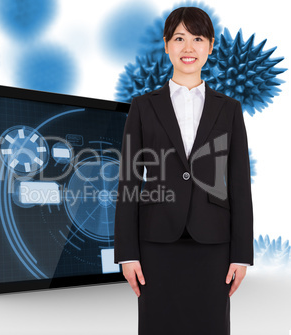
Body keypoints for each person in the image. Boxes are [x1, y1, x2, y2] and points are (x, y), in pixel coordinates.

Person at [113, 6, 254, 335]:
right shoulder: (143, 106)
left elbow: (239, 183)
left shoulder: (229, 109)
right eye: (179, 38)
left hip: (214, 241)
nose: (188, 47)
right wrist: (127, 253)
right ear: (166, 45)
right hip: (156, 241)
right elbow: (129, 180)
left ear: (211, 45)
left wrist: (242, 254)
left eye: (197, 38)